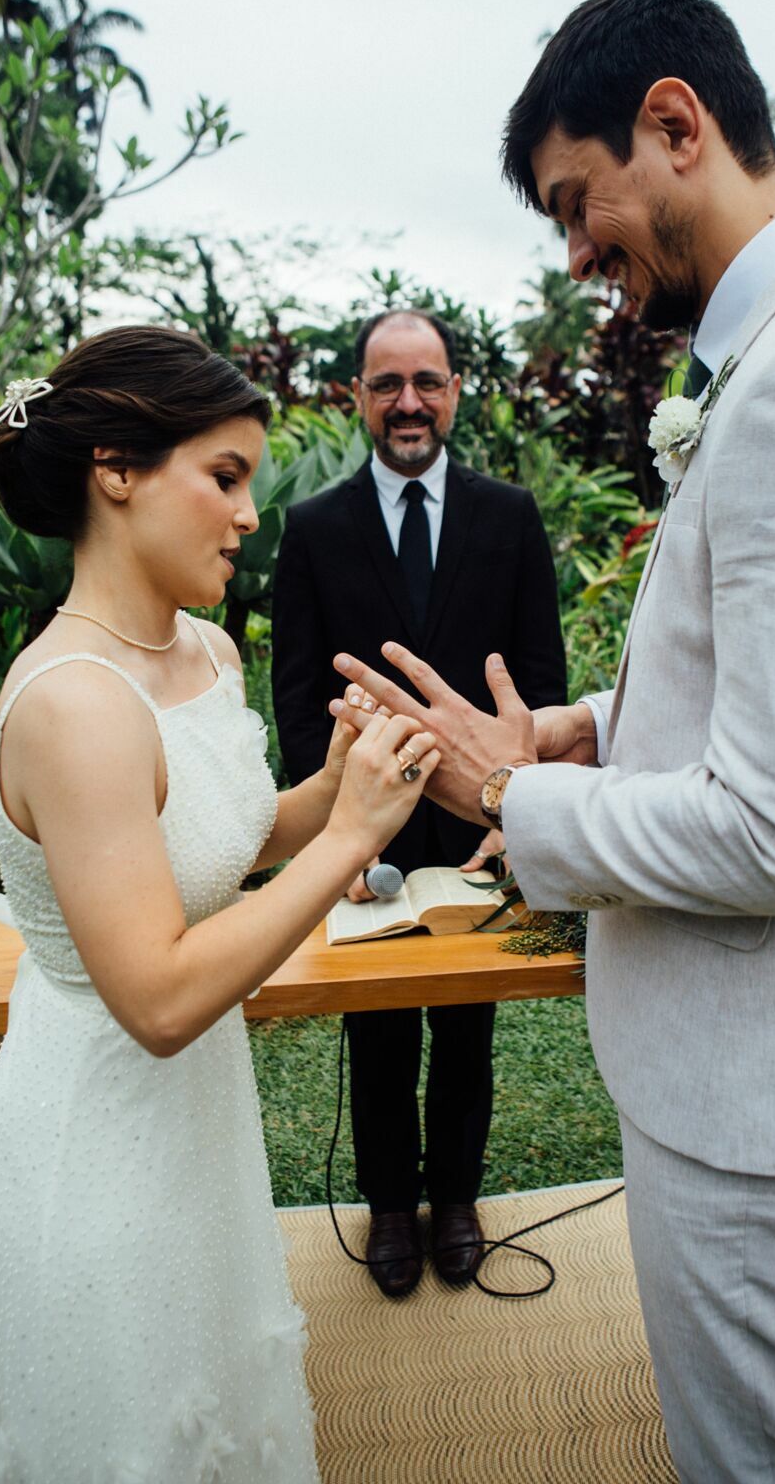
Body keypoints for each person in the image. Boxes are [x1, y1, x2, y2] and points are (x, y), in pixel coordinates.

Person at [327, 0, 775, 1482]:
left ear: (672, 123)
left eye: (576, 203)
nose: (572, 257)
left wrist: (515, 797)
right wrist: (581, 724)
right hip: (766, 1050)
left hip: (762, 1075)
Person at [0, 326, 439, 1483]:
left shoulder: (204, 652)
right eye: (223, 476)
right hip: (97, 1138)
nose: (250, 513)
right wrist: (353, 839)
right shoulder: (75, 704)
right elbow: (157, 996)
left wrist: (335, 785)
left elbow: (227, 836)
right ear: (116, 468)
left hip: (197, 1124)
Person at [272, 308, 566, 1296]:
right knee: (379, 1028)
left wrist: (513, 813)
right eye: (386, 382)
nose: (407, 401)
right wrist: (334, 835)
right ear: (357, 395)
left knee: (467, 1030)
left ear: (451, 391)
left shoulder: (509, 515)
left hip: (479, 832)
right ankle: (389, 1206)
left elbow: (536, 678)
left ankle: (455, 1202)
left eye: (426, 381)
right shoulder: (312, 528)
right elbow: (296, 690)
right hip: (368, 831)